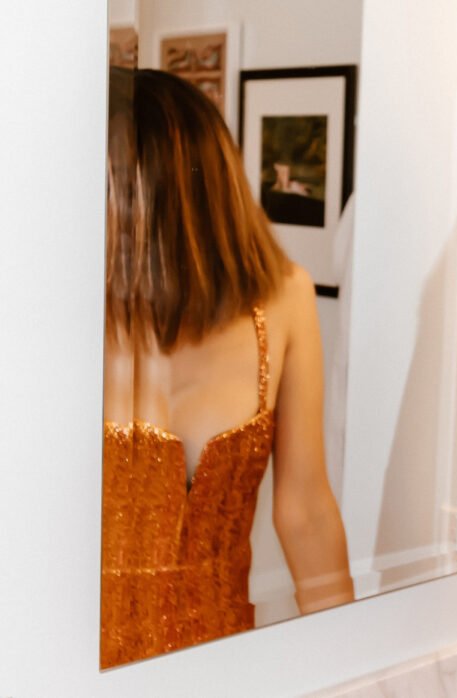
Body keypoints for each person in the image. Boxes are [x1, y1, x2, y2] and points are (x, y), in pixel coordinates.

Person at [101, 68, 354, 669]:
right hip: (64, 657)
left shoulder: (284, 298)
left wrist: (348, 663)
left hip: (220, 660)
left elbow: (306, 510)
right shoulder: (41, 304)